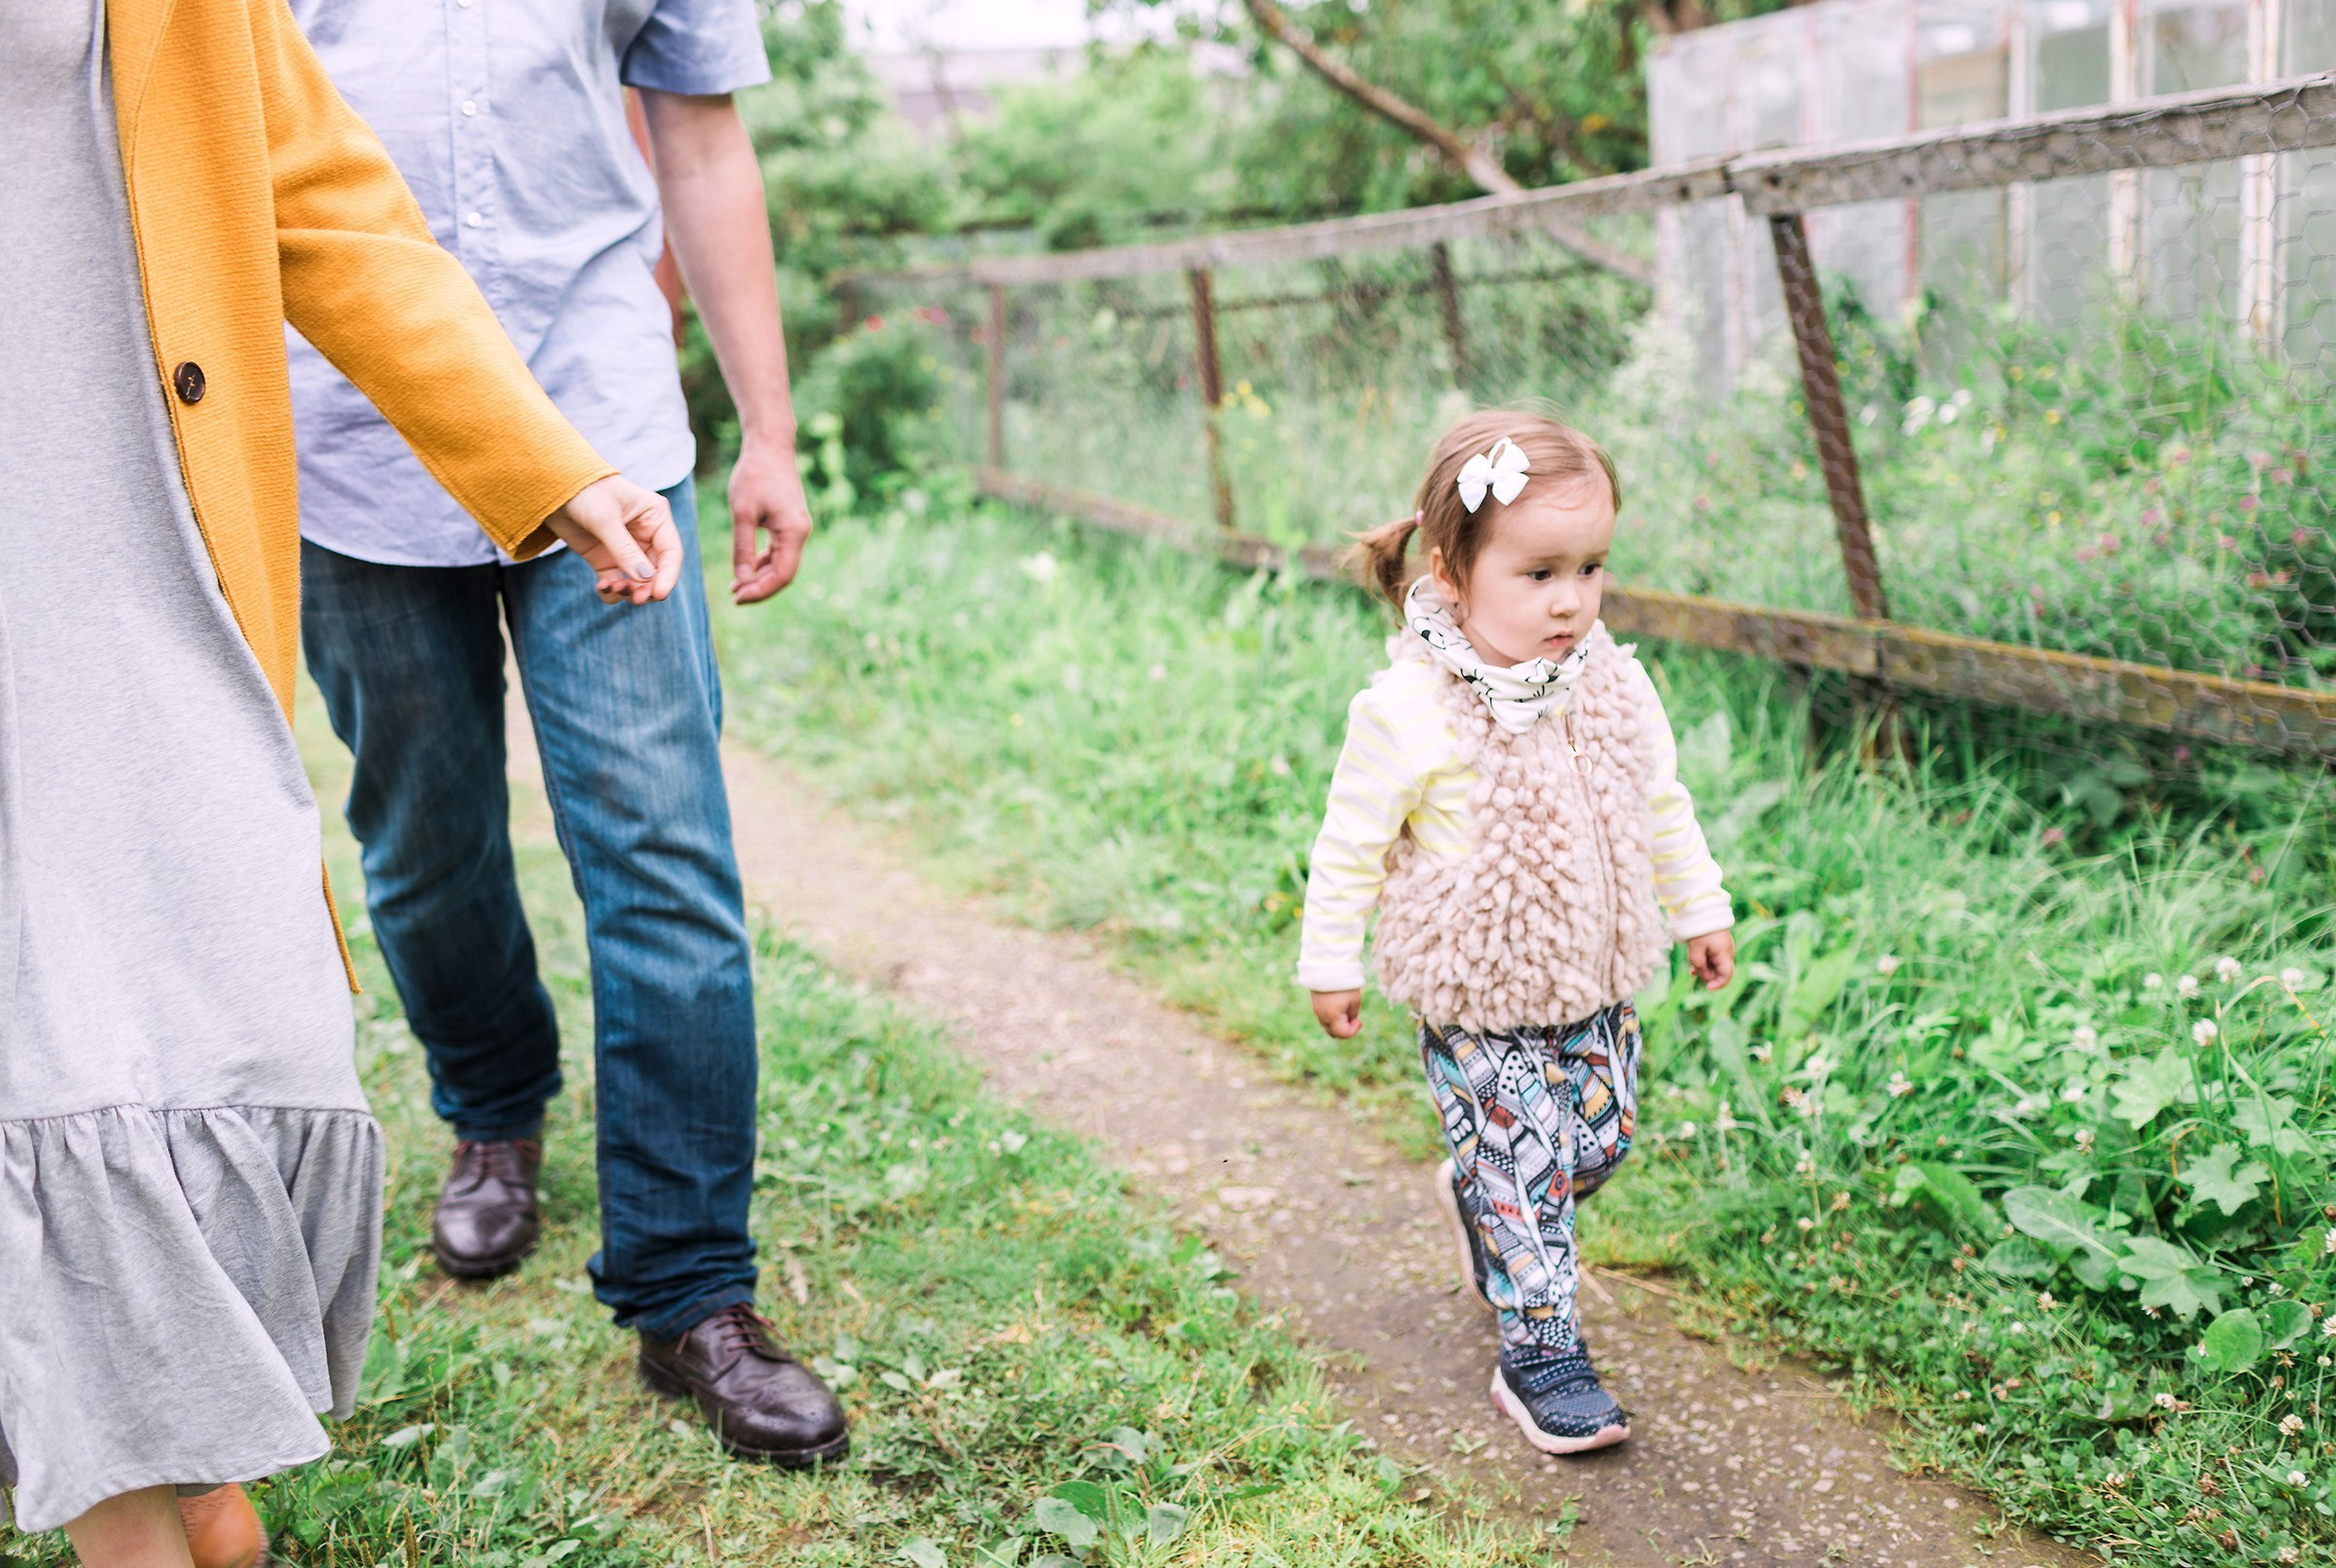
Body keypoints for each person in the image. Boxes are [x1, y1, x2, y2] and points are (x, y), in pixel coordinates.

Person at [0, 0, 684, 1560]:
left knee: (225, 991)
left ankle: (173, 1415)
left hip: (131, 532)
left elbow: (319, 200)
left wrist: (543, 454)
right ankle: (137, 1483)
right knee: (38, 1034)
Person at [286, 0, 846, 1470]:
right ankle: (492, 1104)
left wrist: (768, 433)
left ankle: (691, 1287)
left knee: (663, 850)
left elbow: (703, 141)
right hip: (347, 440)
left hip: (600, 413)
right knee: (427, 838)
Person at [1298, 410, 1737, 1455]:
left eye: (1591, 569)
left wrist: (1700, 906)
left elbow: (1659, 802)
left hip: (1595, 977)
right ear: (1452, 569)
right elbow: (1348, 844)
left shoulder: (1614, 682)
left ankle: (1481, 1191)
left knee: (1599, 1140)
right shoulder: (1410, 707)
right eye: (1539, 573)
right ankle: (1539, 1352)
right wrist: (1330, 960)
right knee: (1529, 1178)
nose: (1572, 599)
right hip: (1477, 996)